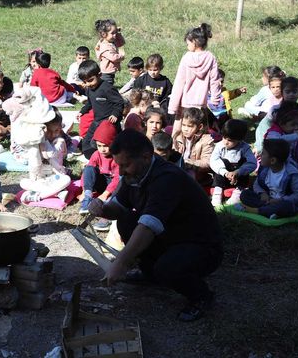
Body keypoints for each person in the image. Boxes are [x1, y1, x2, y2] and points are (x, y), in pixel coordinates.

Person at [88, 129, 222, 322]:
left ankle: (201, 296)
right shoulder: (133, 174)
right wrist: (102, 209)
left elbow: (149, 226)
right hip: (171, 235)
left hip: (201, 245)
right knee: (126, 220)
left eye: (125, 165)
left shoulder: (167, 178)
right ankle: (150, 274)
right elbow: (119, 207)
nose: (122, 171)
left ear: (145, 156)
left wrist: (121, 262)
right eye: (119, 165)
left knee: (167, 267)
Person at [169, 23, 221, 134]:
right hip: (201, 104)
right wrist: (215, 99)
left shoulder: (186, 58)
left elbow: (179, 83)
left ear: (194, 42)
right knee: (200, 131)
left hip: (185, 104)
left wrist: (173, 106)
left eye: (188, 43)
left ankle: (176, 149)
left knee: (179, 132)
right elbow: (215, 81)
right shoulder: (210, 58)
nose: (187, 45)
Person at [237, 138, 298, 219]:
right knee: (245, 194)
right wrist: (262, 193)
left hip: (283, 202)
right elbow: (257, 183)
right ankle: (269, 211)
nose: (260, 155)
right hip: (267, 200)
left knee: (286, 206)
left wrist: (281, 200)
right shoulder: (265, 169)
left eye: (263, 153)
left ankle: (257, 211)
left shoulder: (292, 174)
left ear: (272, 160)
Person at [78, 120, 120, 232]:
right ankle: (88, 196)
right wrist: (84, 191)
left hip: (113, 187)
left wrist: (106, 194)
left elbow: (117, 179)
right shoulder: (96, 154)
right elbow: (87, 173)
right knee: (89, 168)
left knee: (120, 187)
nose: (102, 149)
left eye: (106, 146)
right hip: (101, 182)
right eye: (99, 146)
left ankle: (106, 215)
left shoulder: (117, 157)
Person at [77, 60, 124, 158]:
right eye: (85, 82)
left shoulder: (107, 88)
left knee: (104, 143)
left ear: (99, 75)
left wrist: (115, 114)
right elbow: (90, 103)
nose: (88, 84)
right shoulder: (89, 89)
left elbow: (119, 102)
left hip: (109, 123)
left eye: (90, 80)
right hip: (97, 121)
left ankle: (108, 157)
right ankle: (93, 157)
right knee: (86, 143)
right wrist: (82, 111)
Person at [264, 100, 298, 185]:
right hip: (272, 167)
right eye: (293, 124)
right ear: (281, 122)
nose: (296, 127)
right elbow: (278, 141)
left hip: (288, 163)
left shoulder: (291, 133)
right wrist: (295, 136)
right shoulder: (273, 133)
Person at [210, 119, 256, 206]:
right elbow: (213, 160)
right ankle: (218, 191)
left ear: (240, 139)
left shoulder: (245, 148)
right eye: (224, 138)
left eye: (230, 140)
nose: (225, 142)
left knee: (243, 164)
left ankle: (238, 192)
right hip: (224, 176)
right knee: (219, 167)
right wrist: (225, 172)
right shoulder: (220, 146)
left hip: (239, 177)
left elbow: (252, 163)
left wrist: (238, 172)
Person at [173, 107, 215, 185]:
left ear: (200, 127)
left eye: (189, 126)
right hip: (179, 169)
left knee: (189, 174)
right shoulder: (178, 137)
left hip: (196, 173)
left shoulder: (206, 140)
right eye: (183, 125)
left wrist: (191, 163)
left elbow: (207, 162)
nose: (185, 129)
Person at [94, 19, 125, 85]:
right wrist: (121, 56)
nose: (115, 35)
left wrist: (118, 32)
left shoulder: (111, 41)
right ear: (104, 34)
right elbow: (113, 57)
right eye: (112, 33)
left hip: (110, 72)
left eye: (115, 32)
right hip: (106, 73)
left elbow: (121, 43)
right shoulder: (105, 46)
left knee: (108, 86)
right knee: (107, 86)